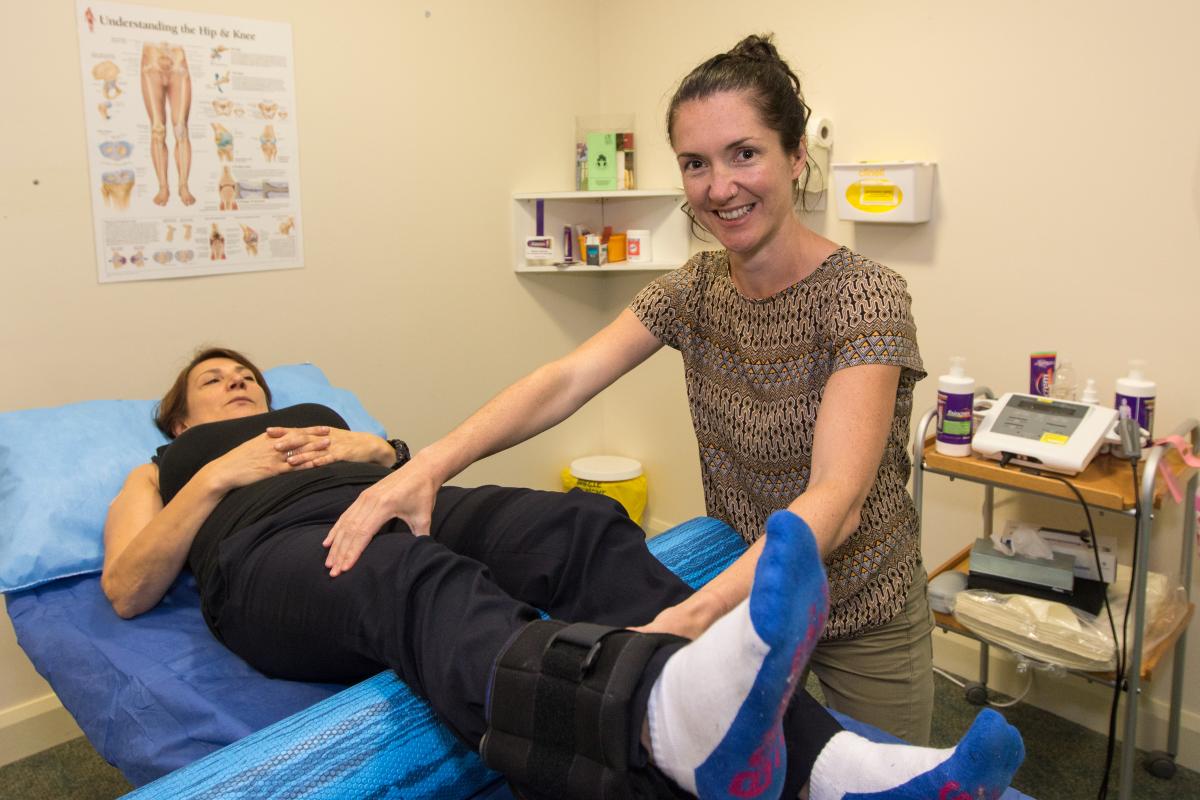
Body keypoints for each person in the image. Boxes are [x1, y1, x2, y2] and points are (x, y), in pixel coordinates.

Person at [327, 33, 935, 744]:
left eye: (745, 153)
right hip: (750, 600)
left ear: (796, 156)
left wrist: (693, 616)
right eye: (696, 164)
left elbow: (839, 498)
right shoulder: (692, 291)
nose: (720, 187)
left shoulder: (866, 296)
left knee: (879, 781)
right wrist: (428, 464)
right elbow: (566, 380)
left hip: (864, 612)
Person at [103, 347, 1023, 800]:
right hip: (272, 559)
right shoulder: (166, 468)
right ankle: (659, 717)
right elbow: (128, 585)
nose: (238, 385)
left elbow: (408, 466)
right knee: (412, 578)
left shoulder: (316, 418)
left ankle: (832, 763)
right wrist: (220, 475)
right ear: (179, 420)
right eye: (213, 382)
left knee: (574, 521)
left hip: (377, 496)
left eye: (247, 378)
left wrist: (376, 447)